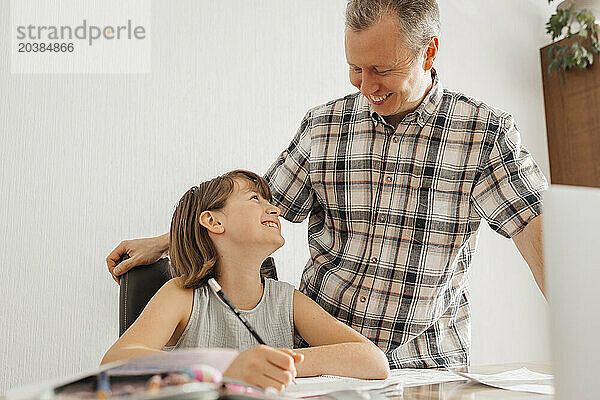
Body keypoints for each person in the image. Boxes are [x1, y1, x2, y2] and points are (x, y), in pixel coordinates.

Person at [107, 0, 548, 369]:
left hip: (425, 361)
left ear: (429, 53)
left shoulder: (483, 133)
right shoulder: (324, 126)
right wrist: (171, 240)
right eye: (355, 68)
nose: (366, 85)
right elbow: (261, 208)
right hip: (320, 358)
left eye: (381, 69)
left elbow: (539, 234)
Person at [102, 170, 389, 390]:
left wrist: (276, 363)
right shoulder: (182, 295)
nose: (275, 209)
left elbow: (373, 360)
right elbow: (114, 362)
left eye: (269, 201)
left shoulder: (285, 299)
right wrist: (225, 366)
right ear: (214, 222)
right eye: (255, 199)